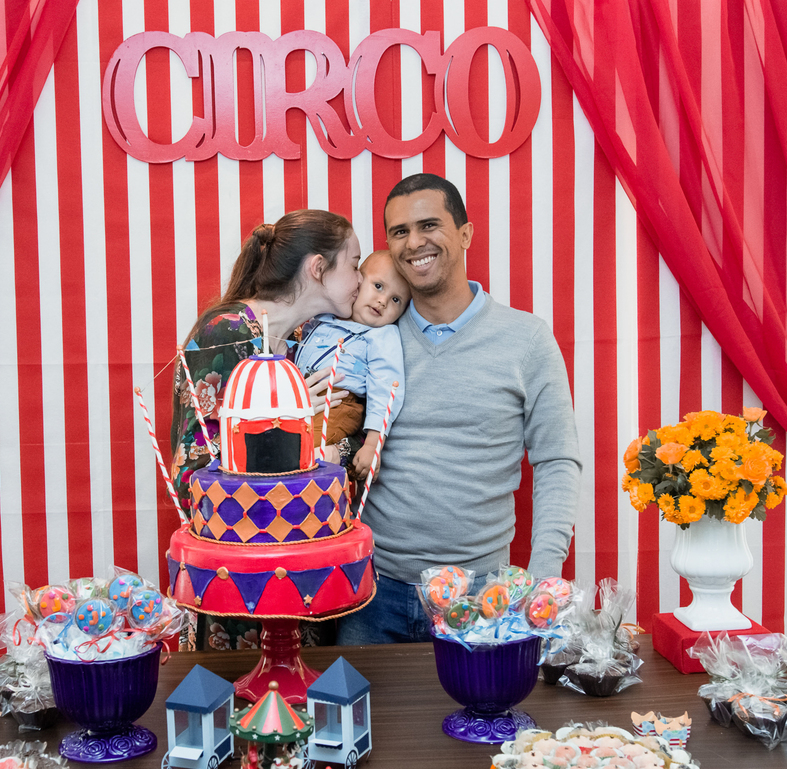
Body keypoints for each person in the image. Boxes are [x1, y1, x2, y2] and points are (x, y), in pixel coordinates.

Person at [336, 173, 582, 645]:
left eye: (429, 225)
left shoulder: (526, 339)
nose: (414, 243)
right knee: (368, 720)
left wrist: (544, 576)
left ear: (466, 234)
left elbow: (556, 460)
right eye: (399, 231)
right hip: (370, 592)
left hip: (482, 596)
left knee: (480, 716)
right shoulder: (364, 337)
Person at [170, 209, 361, 650]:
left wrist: (329, 451)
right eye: (353, 262)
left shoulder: (302, 342)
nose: (360, 277)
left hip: (302, 579)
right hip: (243, 584)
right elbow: (192, 473)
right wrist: (290, 433)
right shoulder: (228, 333)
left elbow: (332, 449)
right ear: (318, 268)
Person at [295, 250, 411, 478]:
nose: (383, 301)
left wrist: (372, 445)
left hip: (339, 403)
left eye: (396, 300)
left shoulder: (381, 335)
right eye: (378, 286)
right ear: (357, 281)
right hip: (299, 399)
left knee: (300, 451)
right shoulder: (326, 315)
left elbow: (386, 389)